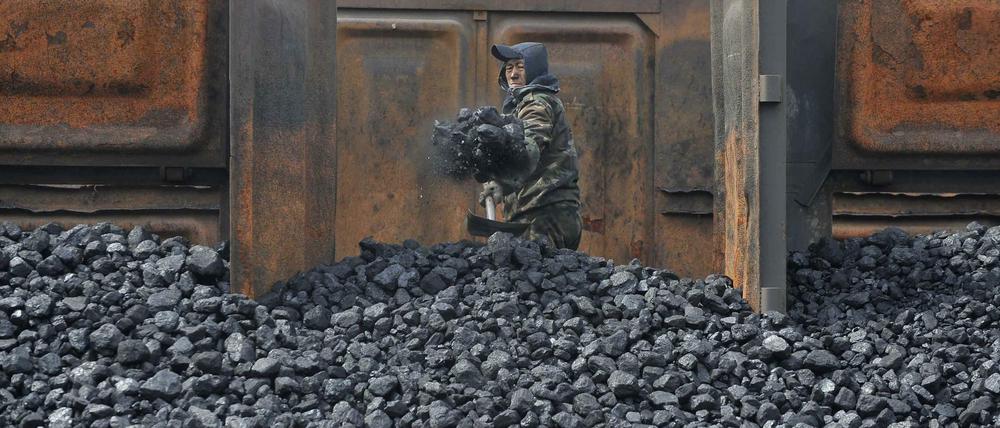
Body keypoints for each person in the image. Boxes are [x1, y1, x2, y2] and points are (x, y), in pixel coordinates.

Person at [479, 42, 582, 250]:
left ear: (534, 69)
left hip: (544, 216)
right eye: (509, 68)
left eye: (520, 66)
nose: (513, 75)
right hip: (540, 215)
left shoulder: (536, 103)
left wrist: (502, 183)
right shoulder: (523, 104)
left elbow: (530, 147)